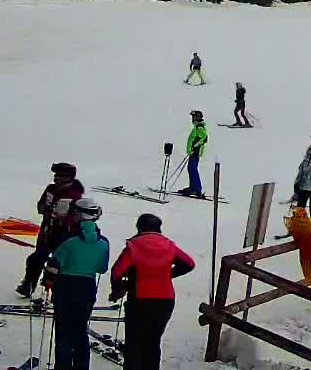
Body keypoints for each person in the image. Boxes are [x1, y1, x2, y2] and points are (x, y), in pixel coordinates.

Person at [109, 213, 194, 370]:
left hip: (140, 299)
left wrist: (118, 289)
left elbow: (117, 272)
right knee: (153, 342)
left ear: (139, 227)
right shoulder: (169, 245)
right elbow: (189, 263)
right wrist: (168, 275)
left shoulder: (133, 246)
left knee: (135, 343)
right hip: (165, 300)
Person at [44, 196, 108, 370]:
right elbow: (102, 268)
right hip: (87, 287)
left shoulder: (69, 240)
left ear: (78, 215)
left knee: (63, 330)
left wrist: (48, 281)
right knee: (80, 329)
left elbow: (54, 265)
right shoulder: (103, 242)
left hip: (66, 285)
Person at [17, 162, 86, 297]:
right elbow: (41, 205)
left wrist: (64, 219)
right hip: (47, 230)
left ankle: (57, 292)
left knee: (59, 262)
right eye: (55, 175)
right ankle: (28, 285)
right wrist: (46, 209)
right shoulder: (51, 188)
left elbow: (78, 216)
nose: (56, 178)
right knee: (36, 258)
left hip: (64, 232)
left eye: (59, 175)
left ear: (68, 178)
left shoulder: (75, 194)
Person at [182, 112, 208, 198]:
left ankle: (197, 189)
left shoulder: (199, 126)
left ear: (197, 117)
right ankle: (193, 187)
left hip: (195, 152)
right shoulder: (197, 126)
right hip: (193, 152)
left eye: (193, 117)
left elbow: (204, 138)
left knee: (192, 169)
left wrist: (195, 147)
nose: (192, 118)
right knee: (191, 168)